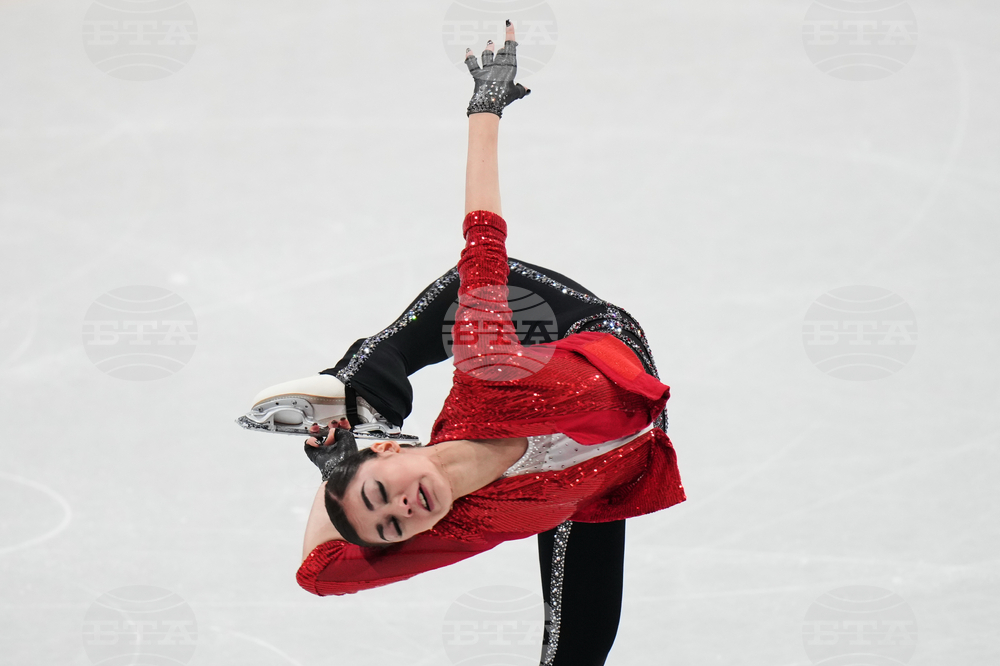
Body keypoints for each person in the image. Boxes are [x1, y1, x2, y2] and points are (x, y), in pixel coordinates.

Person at [248, 24, 685, 666]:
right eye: (393, 525)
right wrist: (334, 475)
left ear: (394, 450)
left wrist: (485, 106)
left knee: (466, 292)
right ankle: (357, 408)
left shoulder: (490, 377)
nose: (401, 508)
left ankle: (360, 389)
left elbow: (482, 234)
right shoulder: (457, 523)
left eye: (381, 494)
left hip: (588, 333)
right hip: (599, 486)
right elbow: (320, 571)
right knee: (578, 651)